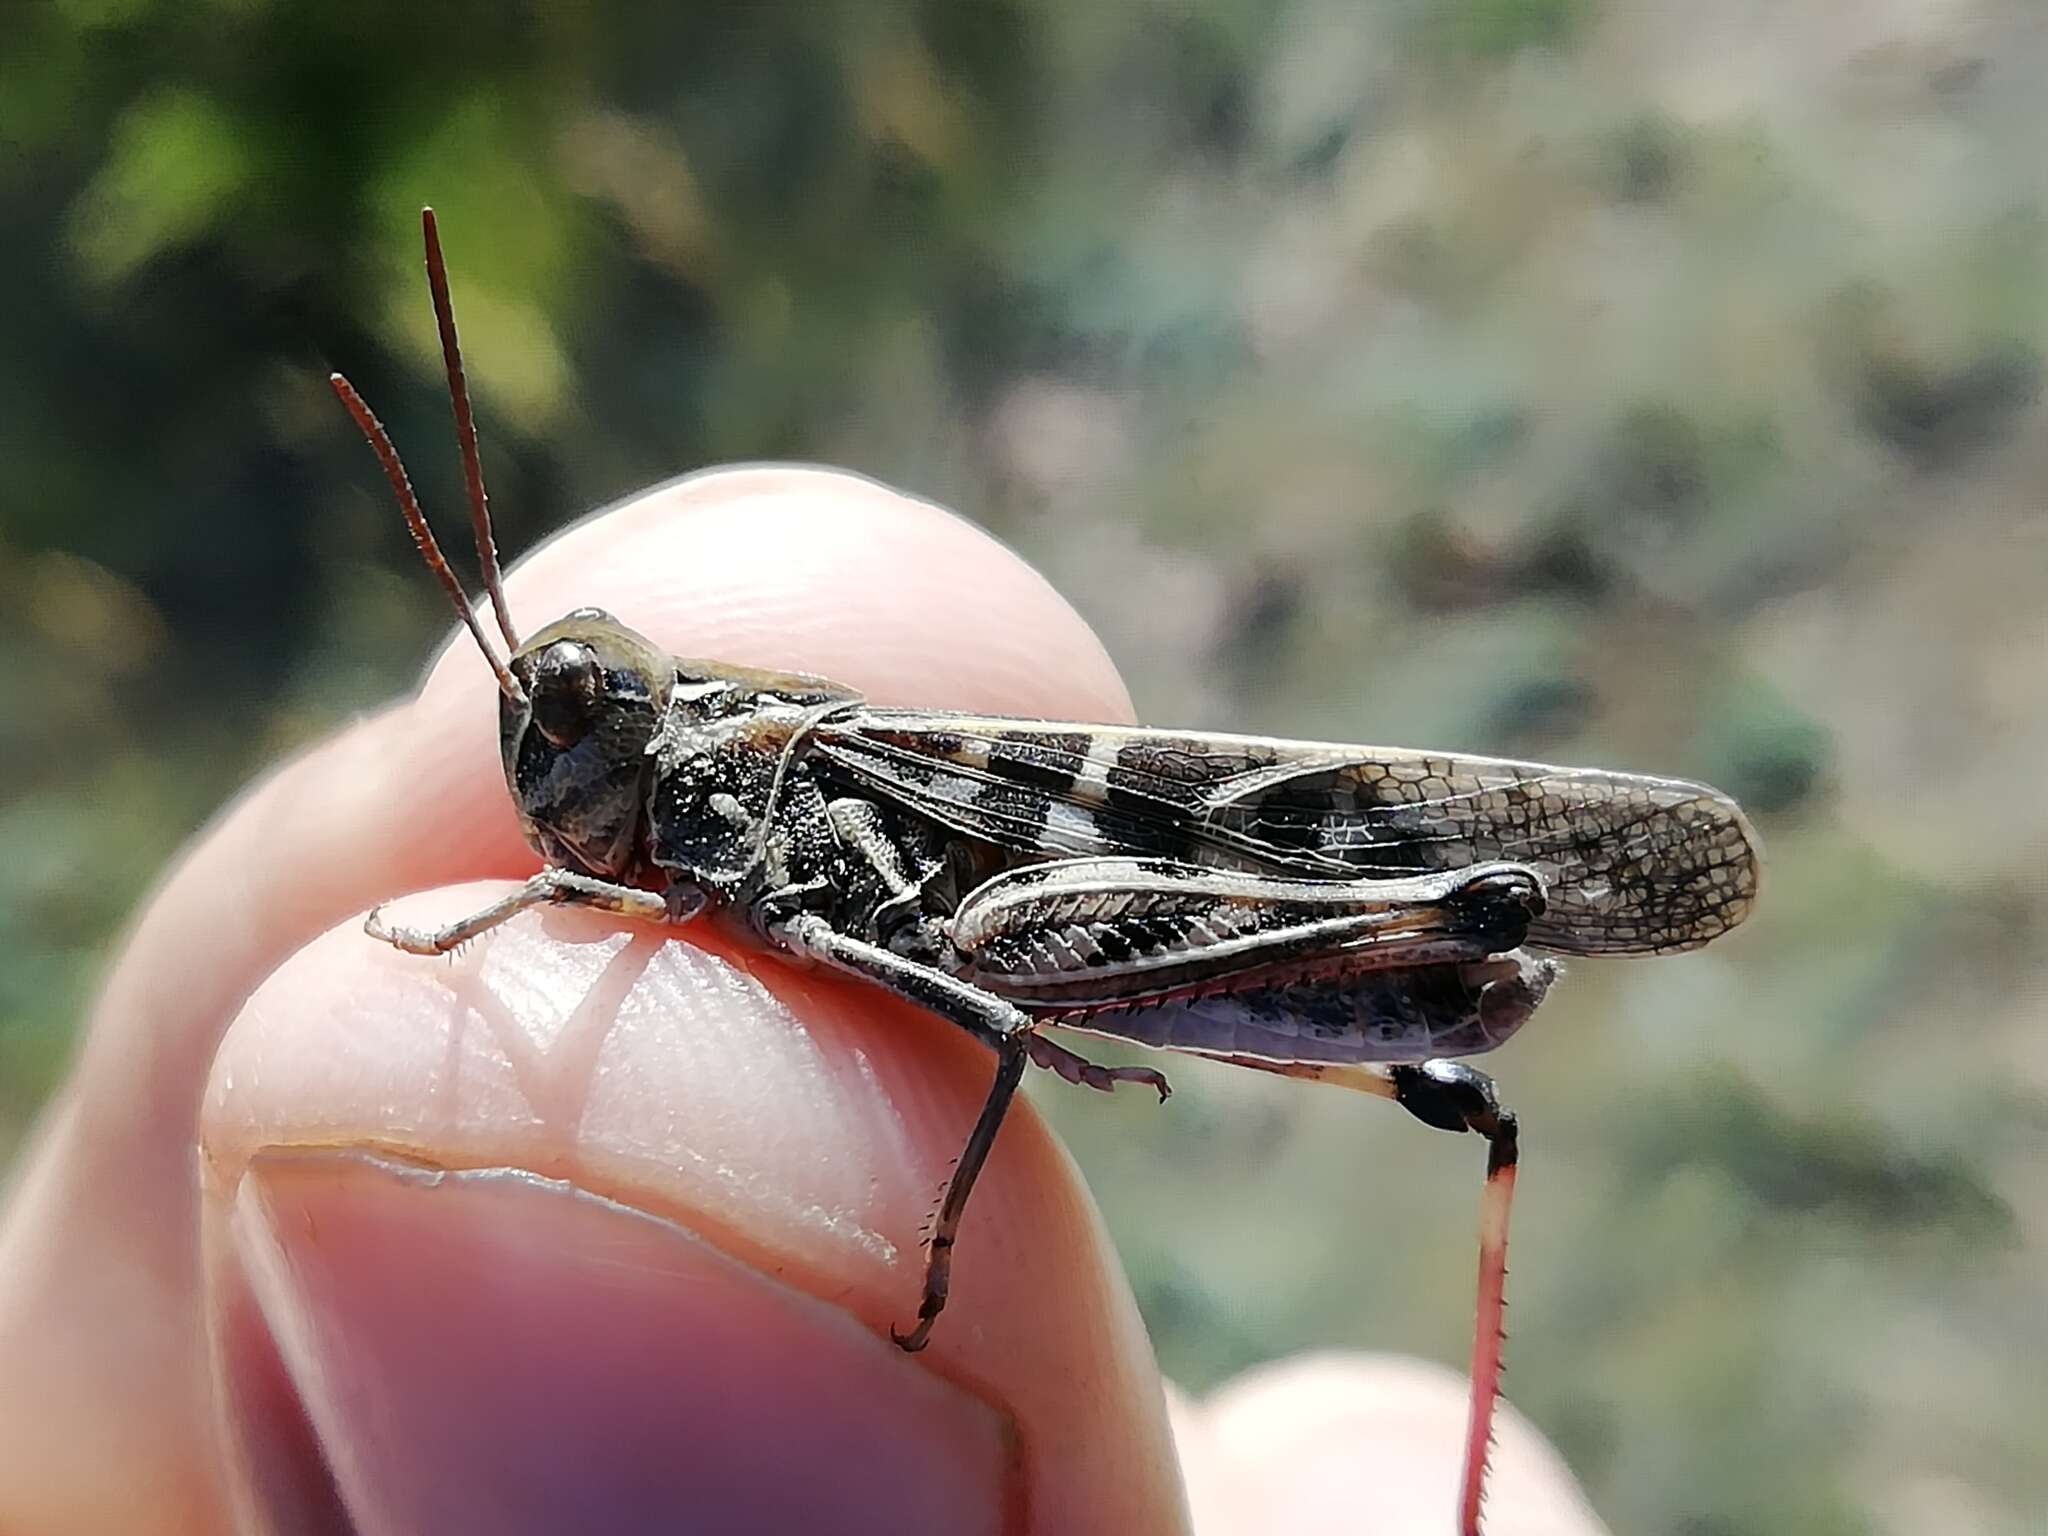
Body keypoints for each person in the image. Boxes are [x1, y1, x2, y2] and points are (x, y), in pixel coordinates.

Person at [0, 467, 1607, 1533]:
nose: (548, 768)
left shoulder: (779, 772)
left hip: (1122, 919)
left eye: (565, 719)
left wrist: (950, 1230)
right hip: (1076, 955)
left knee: (1392, 1049)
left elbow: (972, 993)